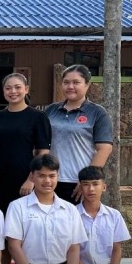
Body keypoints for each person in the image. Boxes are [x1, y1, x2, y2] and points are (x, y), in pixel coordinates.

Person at [5, 154, 87, 264]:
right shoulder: (17, 206)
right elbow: (14, 246)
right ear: (32, 176)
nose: (47, 181)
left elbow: (74, 248)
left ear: (58, 176)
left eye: (52, 175)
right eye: (41, 175)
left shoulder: (69, 209)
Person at [0, 72, 52, 264]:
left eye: (17, 87)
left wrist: (31, 179)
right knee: (3, 232)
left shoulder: (38, 117)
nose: (13, 91)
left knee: (24, 232)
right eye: (8, 88)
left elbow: (42, 152)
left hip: (24, 182)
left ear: (26, 89)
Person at [45, 64, 113, 204]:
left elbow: (104, 148)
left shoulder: (97, 113)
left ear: (87, 85)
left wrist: (87, 180)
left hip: (78, 182)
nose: (70, 86)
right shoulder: (51, 110)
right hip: (50, 180)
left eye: (76, 82)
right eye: (66, 82)